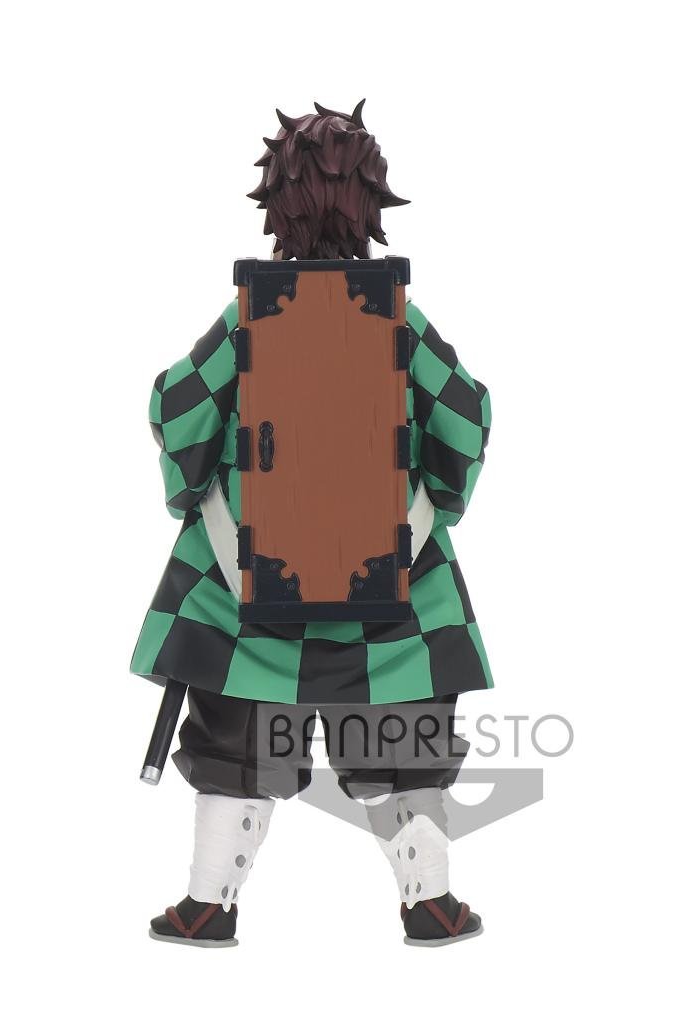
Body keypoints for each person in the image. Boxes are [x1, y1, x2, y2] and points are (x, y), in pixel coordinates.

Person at [130, 101, 493, 947]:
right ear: (373, 201)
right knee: (403, 743)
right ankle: (431, 905)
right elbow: (465, 418)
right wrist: (436, 504)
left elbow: (177, 412)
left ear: (276, 202)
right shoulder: (401, 320)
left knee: (234, 750)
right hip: (392, 612)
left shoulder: (244, 318)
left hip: (246, 607)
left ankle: (207, 907)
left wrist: (194, 491)